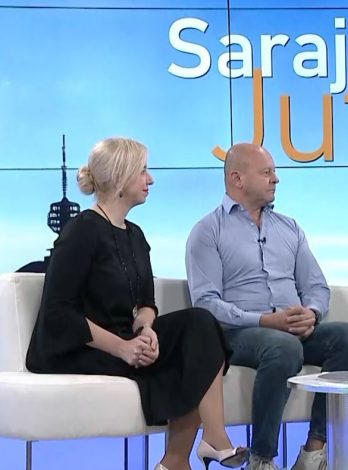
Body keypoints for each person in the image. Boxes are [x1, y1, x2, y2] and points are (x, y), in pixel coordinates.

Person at [25, 138, 247, 470]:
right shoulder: (81, 230)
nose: (150, 179)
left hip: (126, 340)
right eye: (143, 171)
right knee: (184, 353)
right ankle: (177, 461)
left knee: (199, 323)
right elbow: (59, 314)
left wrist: (146, 331)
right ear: (120, 176)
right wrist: (123, 348)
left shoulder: (135, 234)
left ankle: (206, 442)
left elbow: (146, 303)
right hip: (79, 347)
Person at [185, 143, 348, 470]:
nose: (276, 179)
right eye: (266, 172)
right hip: (238, 333)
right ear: (237, 179)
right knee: (283, 346)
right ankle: (262, 458)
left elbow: (317, 286)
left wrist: (311, 314)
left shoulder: (289, 227)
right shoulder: (208, 231)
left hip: (291, 329)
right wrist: (265, 321)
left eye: (274, 172)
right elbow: (206, 304)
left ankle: (314, 450)